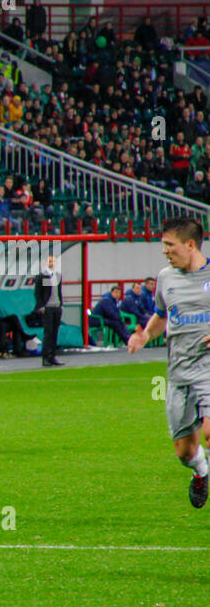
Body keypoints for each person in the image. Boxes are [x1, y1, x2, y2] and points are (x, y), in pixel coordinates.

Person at [126, 217, 210, 509]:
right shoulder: (166, 277)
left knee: (209, 434)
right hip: (178, 372)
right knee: (185, 452)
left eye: (168, 245)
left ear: (189, 245)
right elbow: (162, 315)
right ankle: (201, 472)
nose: (164, 251)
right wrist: (145, 336)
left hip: (208, 369)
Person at [33, 255, 65, 366]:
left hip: (57, 306)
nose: (51, 263)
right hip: (48, 308)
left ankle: (53, 355)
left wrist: (61, 305)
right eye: (49, 261)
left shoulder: (58, 276)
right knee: (48, 333)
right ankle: (46, 356)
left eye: (53, 261)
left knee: (55, 333)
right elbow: (38, 293)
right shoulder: (42, 276)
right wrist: (41, 306)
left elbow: (59, 292)